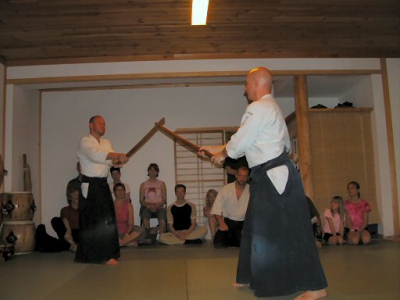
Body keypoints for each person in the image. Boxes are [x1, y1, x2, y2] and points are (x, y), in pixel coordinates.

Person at [200, 67, 327, 299]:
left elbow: (239, 144)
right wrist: (218, 150)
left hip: (273, 175)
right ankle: (249, 274)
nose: (245, 88)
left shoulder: (258, 108)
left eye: (247, 84)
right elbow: (246, 140)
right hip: (268, 174)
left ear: (257, 83)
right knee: (253, 228)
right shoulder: (271, 108)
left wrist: (223, 154)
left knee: (291, 230)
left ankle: (316, 286)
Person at [75, 115, 129, 265]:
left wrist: (119, 160)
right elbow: (96, 155)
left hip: (103, 183)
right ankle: (99, 256)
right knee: (96, 220)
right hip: (90, 184)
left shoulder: (106, 142)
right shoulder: (85, 141)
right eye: (100, 122)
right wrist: (117, 155)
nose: (103, 125)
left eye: (105, 123)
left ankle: (109, 253)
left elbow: (111, 161)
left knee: (108, 219)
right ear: (90, 125)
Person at [211, 166, 250, 248]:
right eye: (240, 175)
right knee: (218, 244)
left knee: (243, 245)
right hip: (228, 222)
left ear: (248, 177)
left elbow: (254, 211)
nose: (242, 178)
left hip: (243, 223)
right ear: (236, 175)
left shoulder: (251, 190)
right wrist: (221, 223)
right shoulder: (226, 188)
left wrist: (247, 227)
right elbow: (216, 207)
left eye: (245, 176)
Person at [35, 187, 80, 252]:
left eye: (79, 195)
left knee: (57, 244)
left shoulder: (83, 210)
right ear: (70, 197)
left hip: (79, 235)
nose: (77, 196)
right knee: (55, 220)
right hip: (67, 234)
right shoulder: (65, 209)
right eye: (75, 194)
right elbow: (65, 220)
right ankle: (72, 245)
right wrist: (70, 238)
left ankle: (71, 246)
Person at [139, 163, 167, 235]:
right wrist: (148, 206)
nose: (152, 172)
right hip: (147, 206)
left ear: (157, 172)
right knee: (145, 217)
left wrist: (158, 205)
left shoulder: (161, 184)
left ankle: (161, 235)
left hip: (159, 206)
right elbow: (141, 200)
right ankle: (148, 236)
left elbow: (164, 199)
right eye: (150, 170)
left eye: (154, 170)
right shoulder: (143, 184)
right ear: (148, 171)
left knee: (162, 218)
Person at [345, 181, 372, 245]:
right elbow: (348, 220)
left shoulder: (364, 203)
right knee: (355, 240)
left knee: (366, 240)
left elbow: (365, 220)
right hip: (351, 229)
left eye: (352, 188)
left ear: (358, 190)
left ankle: (361, 237)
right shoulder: (346, 203)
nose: (350, 190)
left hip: (362, 228)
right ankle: (351, 238)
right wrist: (352, 230)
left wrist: (359, 231)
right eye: (348, 188)